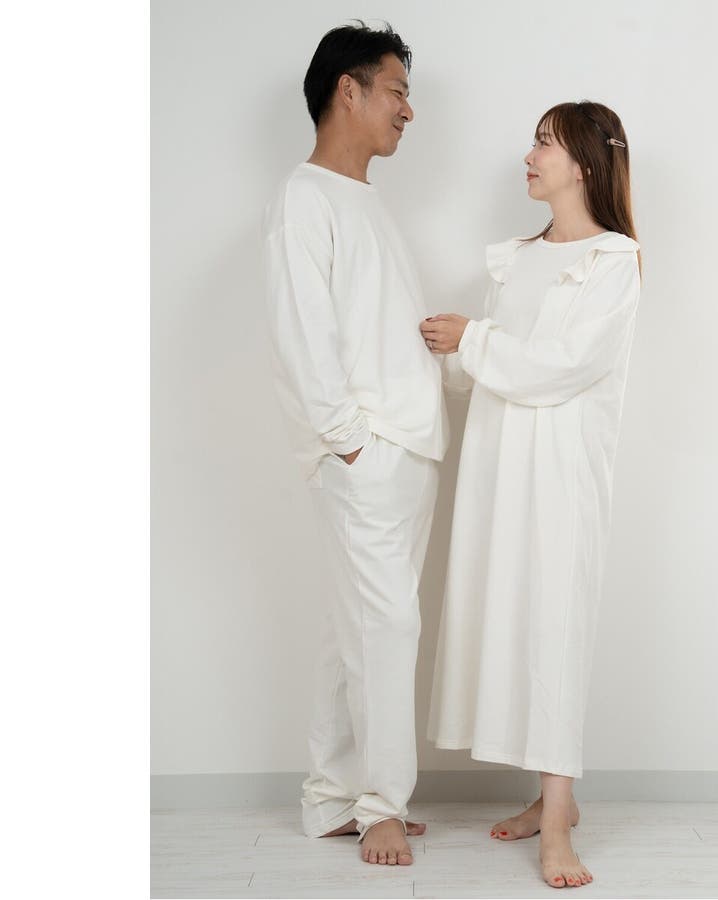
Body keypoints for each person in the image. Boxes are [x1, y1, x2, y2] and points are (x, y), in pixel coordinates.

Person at [421, 100, 641, 889]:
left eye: (544, 143)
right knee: (507, 619)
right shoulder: (517, 258)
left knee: (554, 626)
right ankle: (551, 799)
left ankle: (555, 825)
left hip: (560, 469)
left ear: (583, 162)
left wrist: (472, 341)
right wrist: (444, 349)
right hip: (497, 462)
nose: (529, 156)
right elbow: (484, 368)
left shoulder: (613, 260)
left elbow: (566, 364)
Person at [263, 22, 448, 867]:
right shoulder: (304, 198)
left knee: (356, 633)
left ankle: (331, 798)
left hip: (402, 450)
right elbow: (303, 336)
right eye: (397, 91)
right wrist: (351, 446)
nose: (408, 110)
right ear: (350, 89)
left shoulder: (361, 199)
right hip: (369, 456)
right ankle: (380, 807)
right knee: (385, 629)